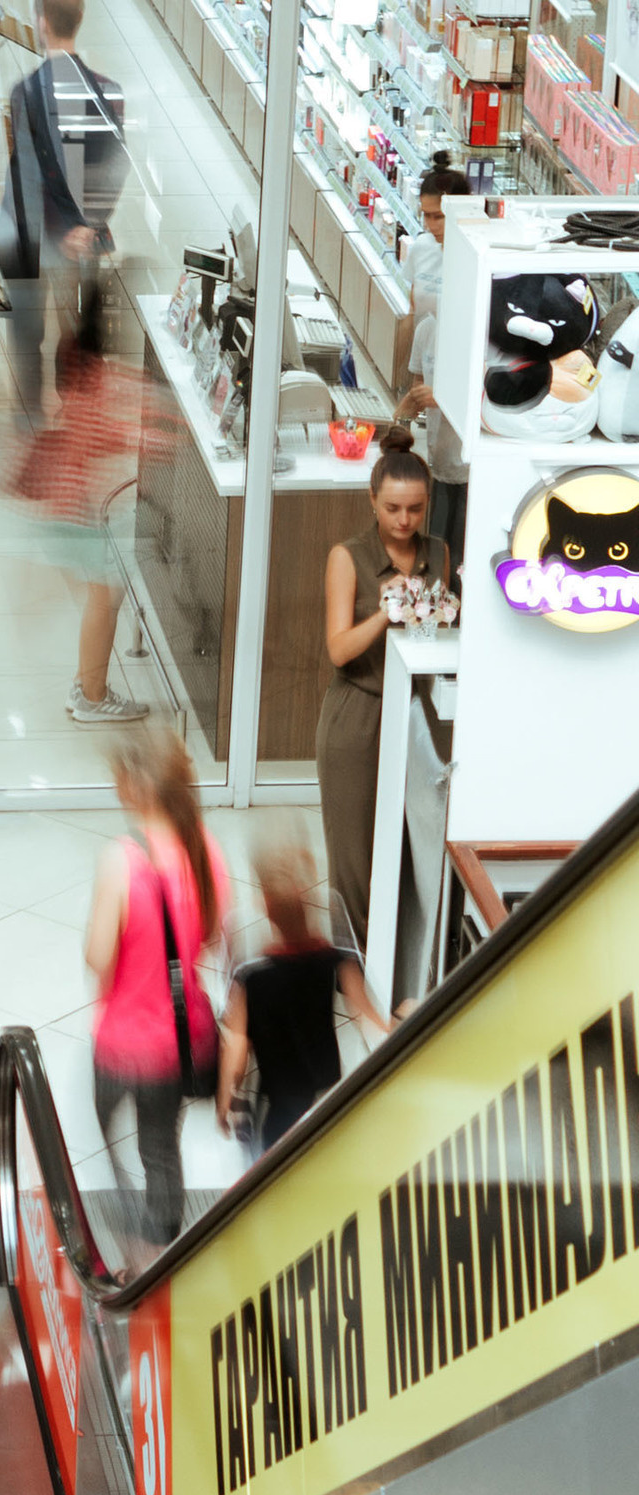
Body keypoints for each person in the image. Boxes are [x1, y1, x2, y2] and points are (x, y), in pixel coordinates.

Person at [82, 728, 229, 1252]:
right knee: (161, 1145)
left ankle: (121, 1216)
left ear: (130, 786)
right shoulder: (204, 848)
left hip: (124, 1043)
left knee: (103, 1114)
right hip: (178, 1042)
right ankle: (166, 1236)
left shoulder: (122, 859)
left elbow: (98, 957)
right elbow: (210, 936)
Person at [317, 426, 446, 948]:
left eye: (415, 509)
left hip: (420, 713)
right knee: (355, 854)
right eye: (393, 508)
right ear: (372, 501)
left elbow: (441, 633)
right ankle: (355, 968)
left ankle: (403, 964)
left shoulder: (439, 553)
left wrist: (433, 610)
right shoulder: (347, 557)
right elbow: (339, 649)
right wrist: (386, 614)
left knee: (414, 846)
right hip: (359, 715)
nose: (404, 520)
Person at [11, 291, 150, 723]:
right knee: (105, 597)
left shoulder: (76, 368)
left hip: (70, 511)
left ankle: (85, 683)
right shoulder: (97, 383)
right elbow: (113, 436)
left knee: (102, 595)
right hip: (82, 513)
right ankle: (92, 695)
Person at [218, 836, 394, 1156]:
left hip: (279, 1096)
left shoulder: (252, 977)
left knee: (272, 1159)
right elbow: (365, 1013)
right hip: (324, 1085)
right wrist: (397, 1025)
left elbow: (238, 1044)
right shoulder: (334, 959)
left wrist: (226, 1094)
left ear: (267, 912)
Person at [3, 0, 124, 421]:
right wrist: (89, 226)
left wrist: (54, 232)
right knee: (75, 328)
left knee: (28, 331)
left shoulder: (25, 92)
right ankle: (75, 413)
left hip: (38, 238)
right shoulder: (109, 92)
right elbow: (115, 167)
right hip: (84, 243)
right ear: (81, 18)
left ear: (40, 23)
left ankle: (32, 417)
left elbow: (27, 175)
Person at [391, 156, 476, 559]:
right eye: (425, 215)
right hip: (430, 355)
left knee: (458, 506)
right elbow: (414, 310)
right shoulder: (423, 249)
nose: (430, 226)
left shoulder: (476, 257)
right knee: (441, 473)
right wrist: (412, 378)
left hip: (460, 383)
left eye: (438, 217)